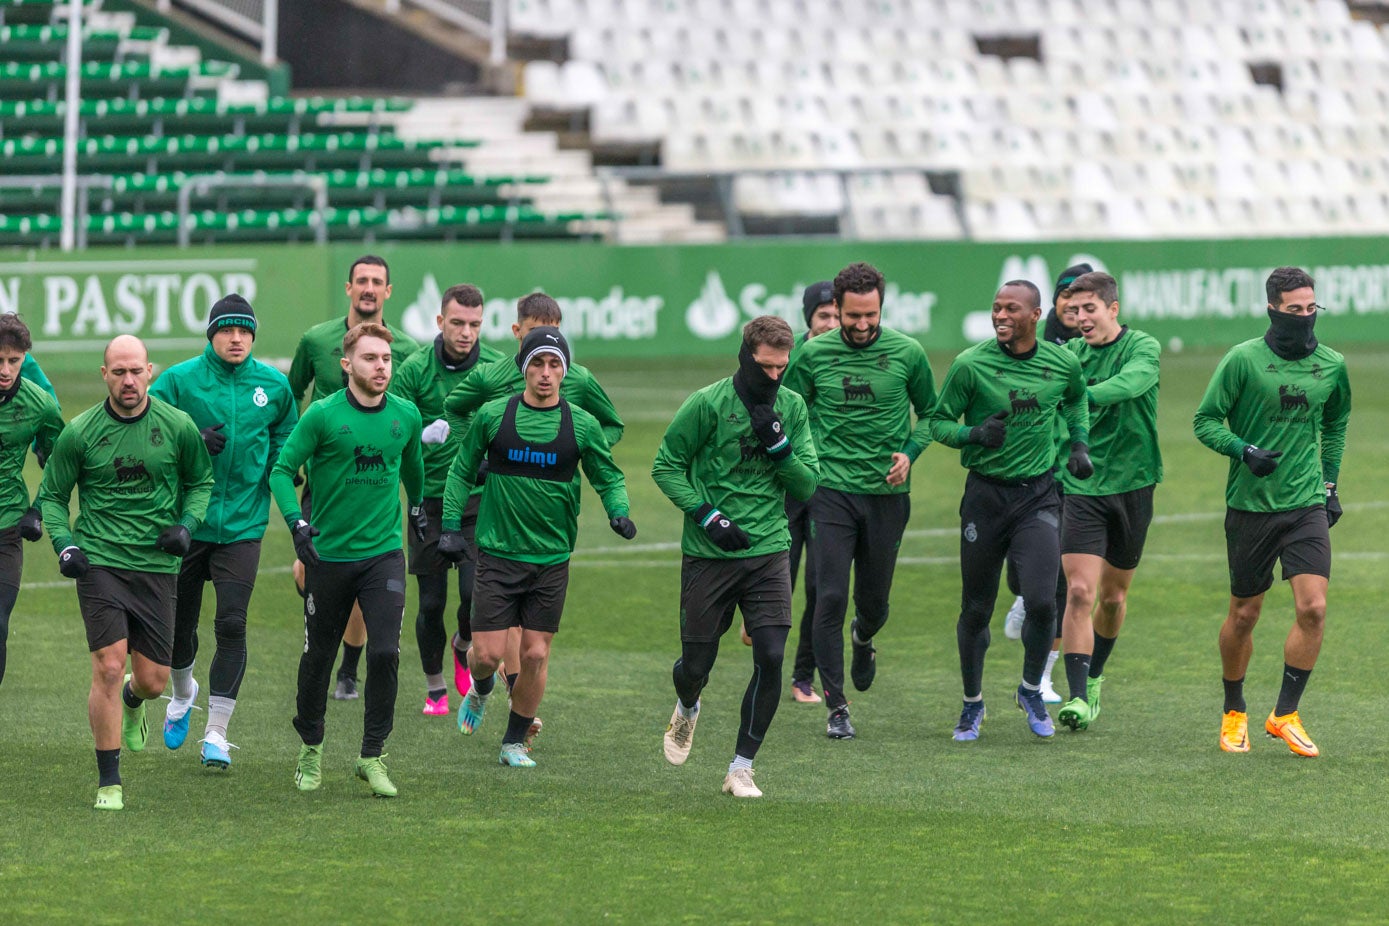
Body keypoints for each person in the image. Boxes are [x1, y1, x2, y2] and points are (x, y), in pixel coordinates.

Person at [442, 326, 634, 768]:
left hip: (550, 560)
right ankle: (481, 686)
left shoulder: (581, 424)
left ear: (564, 371)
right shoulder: (494, 416)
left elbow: (609, 476)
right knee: (487, 656)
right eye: (537, 364)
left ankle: (512, 742)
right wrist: (451, 526)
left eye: (554, 365)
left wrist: (617, 510)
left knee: (535, 653)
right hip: (496, 553)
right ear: (523, 368)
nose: (546, 374)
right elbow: (460, 471)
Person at [38, 335, 214, 810]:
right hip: (100, 562)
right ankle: (109, 782)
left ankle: (137, 702)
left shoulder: (177, 426)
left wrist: (186, 526)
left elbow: (201, 482)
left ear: (150, 371)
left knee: (154, 681)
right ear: (104, 375)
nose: (129, 380)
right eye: (119, 372)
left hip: (157, 564)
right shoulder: (81, 431)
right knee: (109, 666)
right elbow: (52, 497)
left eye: (136, 370)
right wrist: (66, 543)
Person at [652, 316, 819, 798]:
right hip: (709, 553)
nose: (773, 377)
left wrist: (781, 448)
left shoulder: (792, 407)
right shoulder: (707, 403)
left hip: (769, 549)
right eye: (764, 367)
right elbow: (666, 466)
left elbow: (807, 484)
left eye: (781, 368)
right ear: (745, 357)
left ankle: (741, 767)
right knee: (695, 665)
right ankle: (687, 707)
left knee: (770, 654)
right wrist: (707, 515)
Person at [1194, 266, 1350, 757]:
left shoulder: (1332, 364)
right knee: (1245, 614)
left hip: (1304, 503)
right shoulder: (1242, 359)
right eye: (1294, 311)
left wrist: (1329, 485)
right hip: (1251, 505)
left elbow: (1337, 424)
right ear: (1272, 310)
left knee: (1314, 607)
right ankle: (1234, 710)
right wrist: (1244, 450)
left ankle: (1284, 713)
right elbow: (1204, 420)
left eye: (1311, 309)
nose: (1304, 318)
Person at [927, 280, 1090, 742]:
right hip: (985, 497)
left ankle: (1030, 689)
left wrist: (1078, 443)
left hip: (1037, 496)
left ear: (1035, 315)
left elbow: (1076, 399)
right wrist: (973, 435)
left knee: (1042, 600)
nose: (1000, 315)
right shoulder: (970, 364)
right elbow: (938, 421)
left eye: (1011, 309)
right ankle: (972, 704)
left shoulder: (1061, 362)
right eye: (996, 308)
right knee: (976, 608)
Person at [782, 261, 937, 739]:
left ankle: (864, 637)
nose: (863, 325)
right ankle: (837, 707)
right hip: (829, 493)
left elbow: (932, 414)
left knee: (874, 604)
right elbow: (788, 410)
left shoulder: (908, 353)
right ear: (838, 310)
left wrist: (910, 453)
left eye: (871, 315)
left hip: (887, 496)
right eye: (853, 316)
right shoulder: (812, 355)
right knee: (828, 596)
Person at [271, 322, 424, 797]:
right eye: (370, 359)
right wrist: (297, 524)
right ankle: (311, 748)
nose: (381, 367)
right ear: (347, 365)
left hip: (383, 556)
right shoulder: (321, 415)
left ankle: (373, 755)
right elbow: (280, 471)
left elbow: (414, 469)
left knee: (384, 653)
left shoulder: (406, 415)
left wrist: (418, 511)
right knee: (318, 658)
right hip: (328, 556)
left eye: (386, 359)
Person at [148, 295, 298, 767]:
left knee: (232, 622)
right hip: (186, 523)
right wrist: (190, 436)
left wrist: (281, 469)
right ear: (210, 335)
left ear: (254, 335)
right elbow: (150, 433)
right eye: (226, 331)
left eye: (245, 331)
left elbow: (285, 435)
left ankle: (216, 732)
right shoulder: (179, 379)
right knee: (179, 629)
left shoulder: (273, 385)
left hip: (243, 525)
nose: (236, 339)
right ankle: (181, 693)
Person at [288, 255, 421, 701]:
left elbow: (415, 417)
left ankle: (349, 666)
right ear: (348, 288)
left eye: (377, 281)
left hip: (376, 484)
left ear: (388, 291)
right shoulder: (315, 340)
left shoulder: (407, 350)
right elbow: (292, 397)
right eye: (361, 280)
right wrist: (294, 453)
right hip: (325, 478)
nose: (368, 287)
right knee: (307, 569)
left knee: (369, 573)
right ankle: (323, 620)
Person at [1051, 272, 1162, 731]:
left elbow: (1129, 385)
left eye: (1089, 309)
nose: (1081, 319)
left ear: (1113, 309)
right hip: (1082, 487)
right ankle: (1077, 696)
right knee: (1080, 591)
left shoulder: (1143, 348)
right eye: (1074, 311)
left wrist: (1078, 396)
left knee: (1113, 598)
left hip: (1134, 484)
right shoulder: (1068, 356)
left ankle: (1095, 679)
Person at [388, 284, 504, 716]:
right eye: (457, 323)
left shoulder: (496, 368)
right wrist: (418, 435)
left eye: (474, 324)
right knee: (431, 601)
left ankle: (464, 643)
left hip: (478, 499)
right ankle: (435, 684)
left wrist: (493, 460)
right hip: (429, 501)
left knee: (476, 594)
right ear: (440, 322)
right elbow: (391, 430)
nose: (466, 332)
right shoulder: (415, 370)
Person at [1005, 262, 1092, 704]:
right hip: (1030, 469)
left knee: (1064, 583)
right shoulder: (1035, 346)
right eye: (1069, 302)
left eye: (1085, 305)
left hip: (1074, 473)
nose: (1077, 313)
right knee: (1023, 575)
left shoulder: (1100, 340)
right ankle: (1021, 594)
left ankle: (1042, 678)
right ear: (1051, 305)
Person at [0, 315, 64, 690]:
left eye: (14, 361)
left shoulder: (40, 405)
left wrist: (38, 507)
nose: (5, 370)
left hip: (7, 528)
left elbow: (61, 459)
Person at [786, 281, 838, 704]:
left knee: (820, 586)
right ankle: (766, 655)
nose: (833, 324)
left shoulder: (848, 360)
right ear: (809, 318)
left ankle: (804, 677)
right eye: (824, 316)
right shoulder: (786, 359)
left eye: (838, 316)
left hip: (829, 488)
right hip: (786, 487)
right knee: (776, 579)